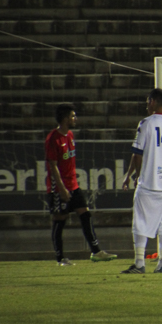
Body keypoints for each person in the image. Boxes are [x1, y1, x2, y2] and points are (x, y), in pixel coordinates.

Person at [120, 89, 162, 274]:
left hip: (149, 183)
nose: (147, 104)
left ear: (155, 101)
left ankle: (139, 263)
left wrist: (136, 175)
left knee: (140, 221)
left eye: (148, 101)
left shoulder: (146, 124)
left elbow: (137, 153)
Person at [45, 104, 117, 266]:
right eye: (72, 116)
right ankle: (60, 259)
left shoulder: (70, 135)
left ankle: (96, 252)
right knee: (59, 221)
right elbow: (52, 165)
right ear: (64, 119)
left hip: (74, 186)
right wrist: (62, 189)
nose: (75, 119)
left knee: (85, 215)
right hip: (59, 189)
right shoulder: (53, 139)